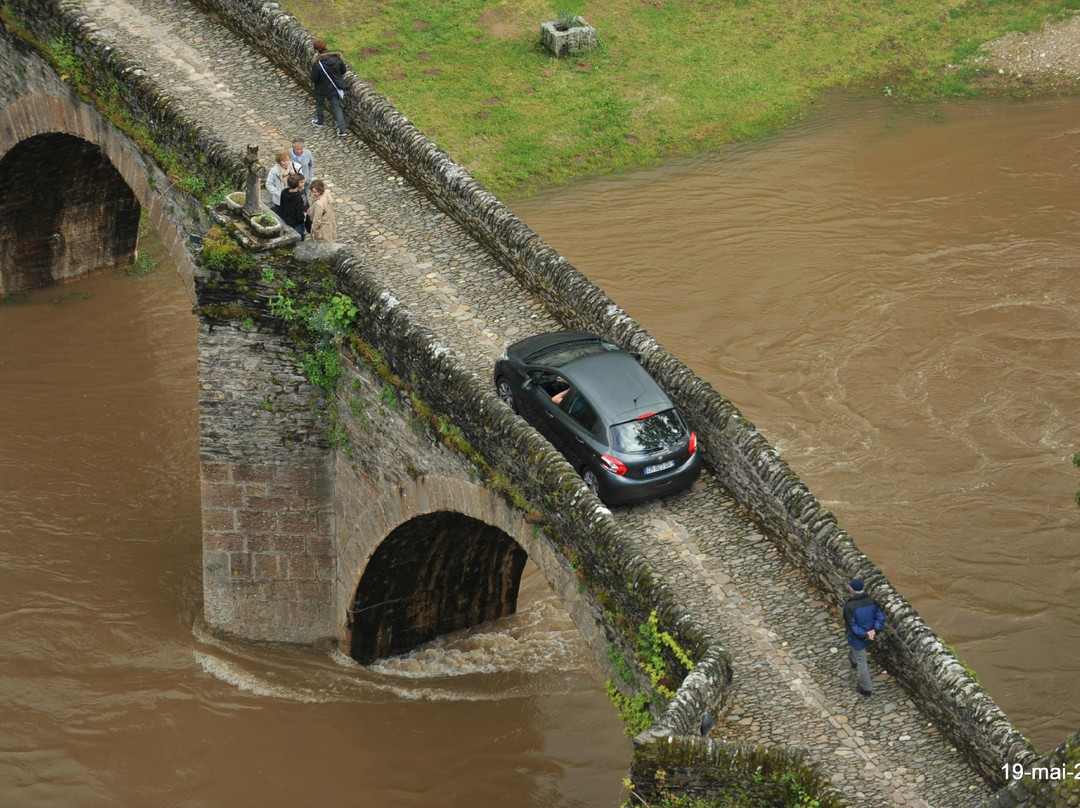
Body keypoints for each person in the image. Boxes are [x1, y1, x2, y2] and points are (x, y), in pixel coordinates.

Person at [843, 578, 886, 697]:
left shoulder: (849, 606)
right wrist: (874, 630)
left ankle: (866, 688)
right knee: (856, 652)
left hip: (858, 637)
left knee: (862, 662)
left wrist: (864, 634)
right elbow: (880, 618)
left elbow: (852, 624)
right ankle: (852, 659)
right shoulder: (872, 601)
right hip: (870, 635)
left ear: (852, 590)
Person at [310, 39, 348, 137]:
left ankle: (320, 121)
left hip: (321, 89)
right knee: (336, 107)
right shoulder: (337, 59)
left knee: (319, 104)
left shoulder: (318, 65)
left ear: (317, 51)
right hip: (334, 88)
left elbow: (314, 78)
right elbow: (343, 70)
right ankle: (342, 130)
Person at [278, 174, 308, 240]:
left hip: (286, 220)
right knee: (300, 239)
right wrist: (302, 220)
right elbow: (299, 212)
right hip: (297, 224)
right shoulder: (299, 197)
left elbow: (281, 206)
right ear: (297, 184)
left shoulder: (284, 192)